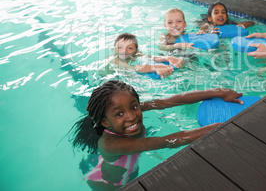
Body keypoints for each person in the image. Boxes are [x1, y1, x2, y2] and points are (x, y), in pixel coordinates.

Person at [69, 80, 243, 190]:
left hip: (119, 167)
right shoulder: (111, 143)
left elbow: (171, 101)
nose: (131, 116)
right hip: (110, 185)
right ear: (105, 122)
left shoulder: (130, 110)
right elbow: (167, 141)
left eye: (134, 106)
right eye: (119, 114)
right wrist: (220, 126)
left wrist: (220, 92)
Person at [109, 33, 184, 78]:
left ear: (136, 51)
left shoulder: (135, 54)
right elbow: (134, 68)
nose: (124, 50)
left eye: (130, 48)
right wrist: (155, 67)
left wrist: (168, 58)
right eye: (120, 47)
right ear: (113, 49)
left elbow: (153, 57)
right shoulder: (113, 59)